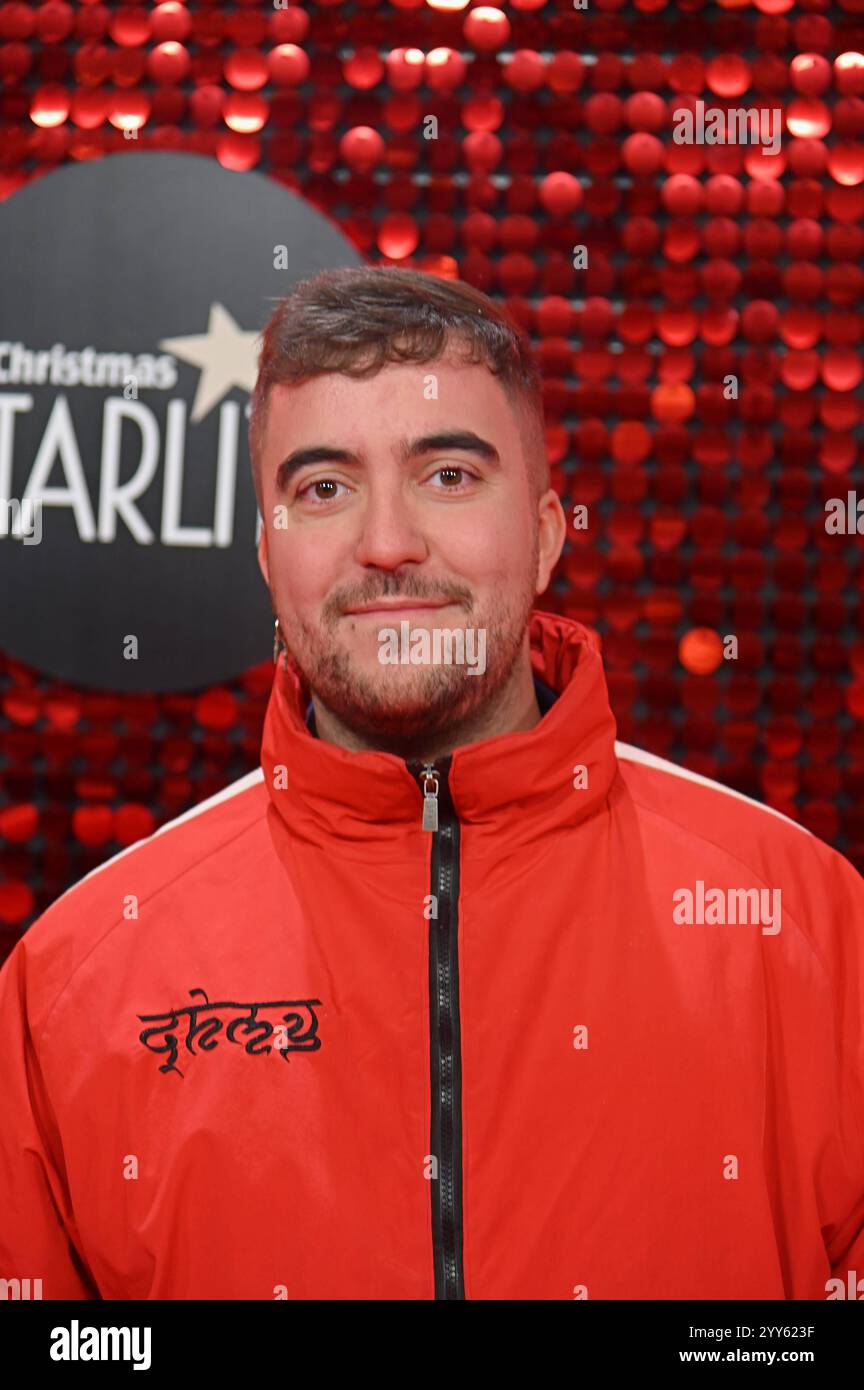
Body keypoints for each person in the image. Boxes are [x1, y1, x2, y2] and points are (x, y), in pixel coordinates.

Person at [1, 265, 862, 1301]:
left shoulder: (809, 924)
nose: (388, 545)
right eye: (324, 488)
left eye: (448, 474)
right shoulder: (74, 981)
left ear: (544, 535)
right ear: (269, 558)